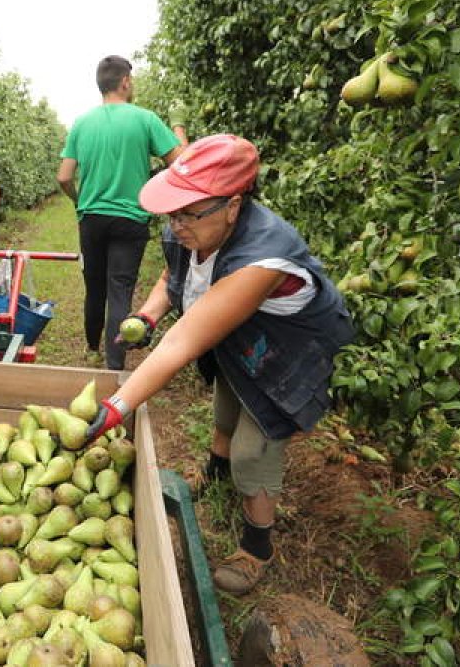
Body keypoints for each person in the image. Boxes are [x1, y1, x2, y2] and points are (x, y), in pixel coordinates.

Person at [83, 134, 355, 594]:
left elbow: (182, 343)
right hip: (242, 337)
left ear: (233, 206)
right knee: (226, 406)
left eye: (189, 212)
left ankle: (256, 547)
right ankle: (214, 472)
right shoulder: (193, 227)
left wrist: (117, 407)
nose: (176, 224)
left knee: (256, 447)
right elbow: (173, 277)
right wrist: (147, 315)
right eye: (173, 211)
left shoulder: (262, 259)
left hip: (288, 351)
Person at [57, 55, 183, 370]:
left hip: (92, 218)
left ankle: (91, 348)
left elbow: (63, 176)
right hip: (131, 218)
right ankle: (114, 365)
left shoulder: (82, 123)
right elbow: (182, 163)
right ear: (125, 81)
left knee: (95, 287)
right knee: (120, 289)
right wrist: (179, 125)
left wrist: (79, 200)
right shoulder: (146, 119)